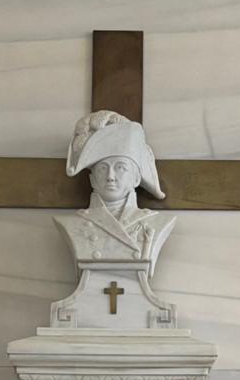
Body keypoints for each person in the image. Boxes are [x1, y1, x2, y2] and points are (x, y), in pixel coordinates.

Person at [56, 110, 176, 270]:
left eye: (120, 167)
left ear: (136, 178)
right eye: (102, 168)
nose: (110, 176)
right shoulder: (72, 224)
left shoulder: (156, 224)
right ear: (92, 180)